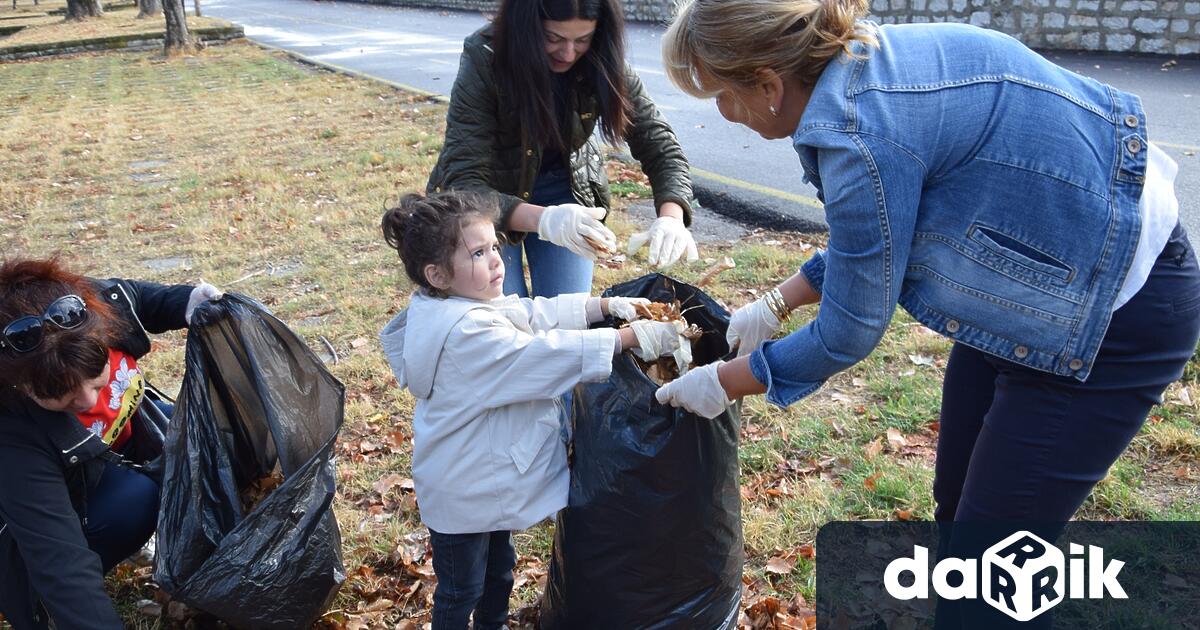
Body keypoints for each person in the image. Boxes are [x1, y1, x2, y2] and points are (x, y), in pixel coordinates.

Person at [655, 1, 1200, 624]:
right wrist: (778, 302)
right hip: (1042, 284)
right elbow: (888, 233)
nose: (725, 114)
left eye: (723, 96)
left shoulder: (860, 128)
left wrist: (722, 383)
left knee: (993, 570)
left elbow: (848, 332)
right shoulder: (861, 64)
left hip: (1110, 314)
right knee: (963, 516)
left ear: (769, 84)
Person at [377, 191, 686, 629]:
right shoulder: (464, 334)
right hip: (461, 492)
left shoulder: (463, 305)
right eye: (479, 253)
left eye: (495, 247)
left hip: (484, 483)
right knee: (461, 588)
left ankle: (493, 625)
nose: (496, 261)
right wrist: (626, 339)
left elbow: (529, 313)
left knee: (499, 570)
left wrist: (603, 307)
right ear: (437, 275)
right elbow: (541, 353)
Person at [0, 258, 222, 629]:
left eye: (95, 379)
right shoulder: (12, 439)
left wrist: (189, 302)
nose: (89, 402)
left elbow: (137, 298)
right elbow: (60, 561)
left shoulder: (87, 306)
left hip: (104, 459)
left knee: (200, 440)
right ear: (20, 386)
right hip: (28, 538)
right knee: (135, 499)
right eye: (62, 396)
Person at [427, 0, 699, 299]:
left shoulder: (602, 57)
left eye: (582, 40)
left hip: (565, 192)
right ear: (526, 27)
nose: (568, 53)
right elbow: (463, 181)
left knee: (566, 316)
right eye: (553, 38)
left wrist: (671, 218)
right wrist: (545, 220)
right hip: (485, 198)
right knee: (502, 315)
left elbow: (659, 143)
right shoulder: (486, 55)